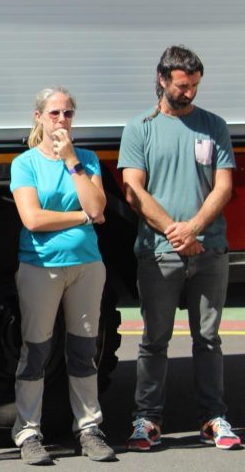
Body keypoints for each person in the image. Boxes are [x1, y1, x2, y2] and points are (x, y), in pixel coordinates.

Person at [118, 45, 240, 451]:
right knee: (155, 339)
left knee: (208, 338)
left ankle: (212, 417)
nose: (189, 93)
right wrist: (174, 230)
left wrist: (195, 229)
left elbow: (224, 186)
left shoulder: (214, 125)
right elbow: (133, 189)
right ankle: (147, 419)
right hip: (159, 251)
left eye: (194, 86)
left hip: (209, 250)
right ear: (163, 79)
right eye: (183, 86)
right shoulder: (140, 128)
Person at [9, 86, 115, 464]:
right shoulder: (25, 164)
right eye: (54, 113)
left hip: (87, 266)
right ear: (38, 117)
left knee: (84, 350)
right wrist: (82, 218)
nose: (62, 120)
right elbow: (33, 219)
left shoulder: (85, 159)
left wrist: (72, 161)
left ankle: (89, 428)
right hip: (41, 267)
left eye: (68, 113)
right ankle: (28, 431)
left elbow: (99, 206)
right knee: (36, 350)